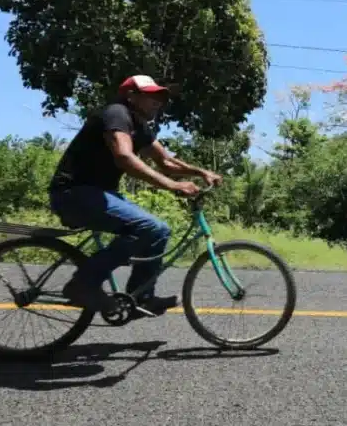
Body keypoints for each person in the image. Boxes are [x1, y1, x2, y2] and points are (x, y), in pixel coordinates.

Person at [47, 74, 222, 315]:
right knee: (151, 228)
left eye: (159, 97)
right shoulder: (116, 114)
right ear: (131, 96)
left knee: (160, 232)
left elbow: (166, 162)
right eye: (150, 96)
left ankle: (142, 297)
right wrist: (172, 186)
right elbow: (124, 156)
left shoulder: (139, 126)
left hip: (99, 194)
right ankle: (82, 285)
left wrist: (200, 172)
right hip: (74, 194)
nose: (157, 102)